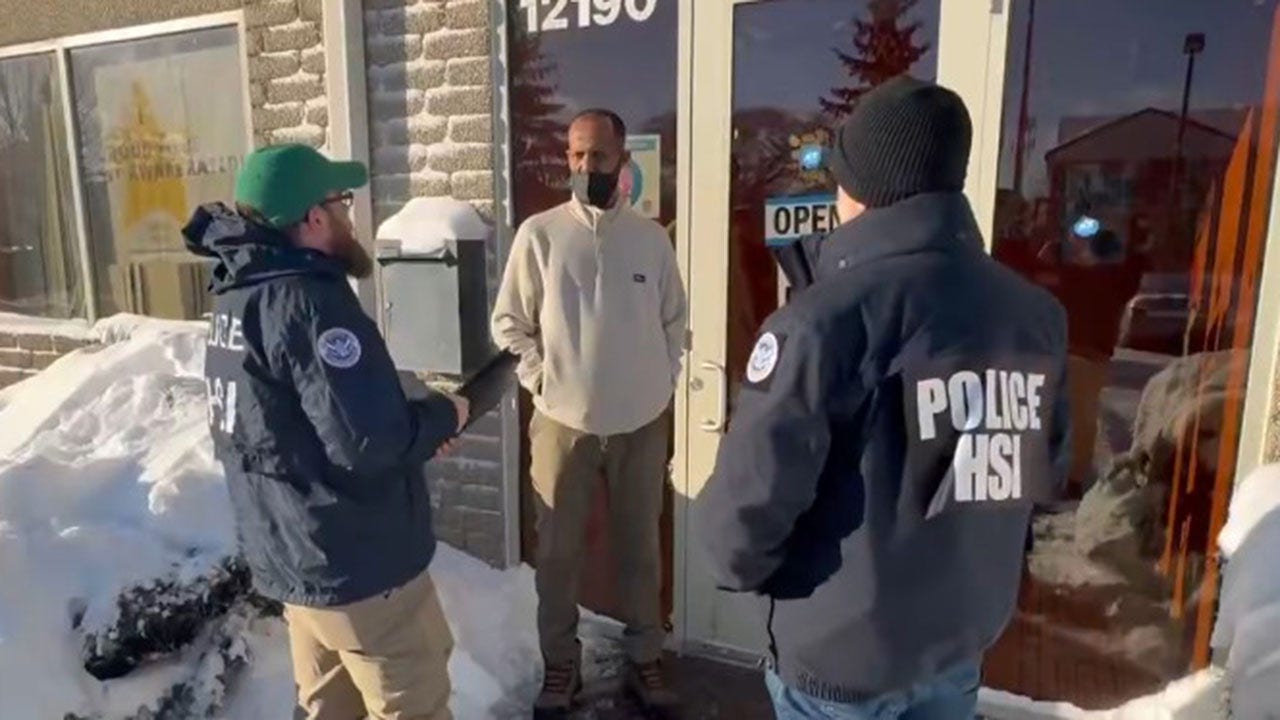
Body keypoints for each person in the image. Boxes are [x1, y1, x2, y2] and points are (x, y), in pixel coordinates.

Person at [695, 77, 1071, 720]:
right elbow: (1038, 473)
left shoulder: (824, 321)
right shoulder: (1032, 314)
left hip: (843, 659)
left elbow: (740, 523)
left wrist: (757, 573)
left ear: (860, 188)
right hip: (955, 645)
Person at [183, 144, 468, 720]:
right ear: (313, 218)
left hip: (296, 560)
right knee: (413, 707)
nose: (348, 214)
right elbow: (369, 442)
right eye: (341, 202)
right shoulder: (311, 304)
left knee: (329, 709)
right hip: (359, 567)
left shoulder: (237, 297)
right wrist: (447, 415)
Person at [491, 108, 688, 717]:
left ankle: (644, 658)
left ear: (622, 161)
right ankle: (560, 668)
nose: (584, 166)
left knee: (640, 550)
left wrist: (661, 381)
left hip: (641, 424)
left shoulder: (651, 239)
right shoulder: (540, 234)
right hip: (563, 427)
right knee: (558, 556)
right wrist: (543, 380)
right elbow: (508, 324)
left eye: (597, 156)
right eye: (575, 155)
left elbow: (675, 324)